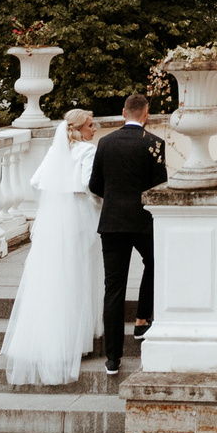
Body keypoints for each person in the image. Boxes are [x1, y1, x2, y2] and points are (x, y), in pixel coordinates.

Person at [1, 108, 102, 385]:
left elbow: (36, 182)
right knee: (77, 276)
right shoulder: (87, 151)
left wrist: (52, 204)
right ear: (80, 128)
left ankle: (47, 340)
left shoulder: (56, 151)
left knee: (51, 277)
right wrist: (98, 202)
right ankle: (74, 341)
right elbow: (87, 185)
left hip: (53, 222)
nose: (95, 129)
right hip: (79, 219)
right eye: (91, 125)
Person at [86, 90, 170, 376]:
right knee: (156, 263)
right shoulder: (154, 144)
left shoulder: (105, 142)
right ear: (146, 114)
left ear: (124, 113)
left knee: (114, 288)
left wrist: (113, 198)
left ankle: (113, 359)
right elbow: (161, 188)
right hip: (144, 221)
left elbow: (95, 184)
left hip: (112, 223)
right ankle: (142, 320)